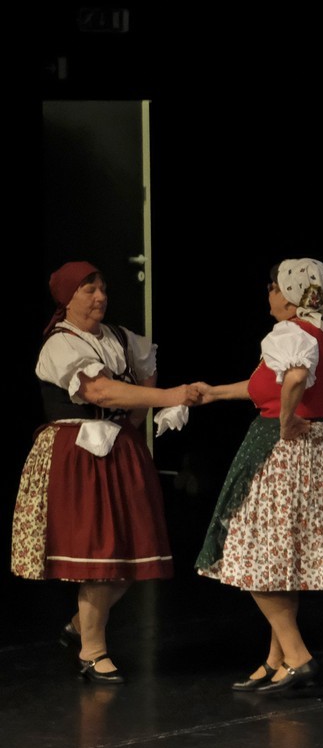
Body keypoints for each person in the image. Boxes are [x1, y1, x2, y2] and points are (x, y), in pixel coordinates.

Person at [191, 259, 323, 695]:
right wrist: (214, 393)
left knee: (253, 559)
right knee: (281, 563)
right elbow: (269, 385)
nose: (269, 293)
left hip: (284, 457)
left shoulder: (290, 333)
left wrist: (287, 419)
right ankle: (276, 660)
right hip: (317, 452)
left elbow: (293, 378)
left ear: (292, 295)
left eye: (275, 287)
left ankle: (298, 656)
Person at [12, 261, 199, 683]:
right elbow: (98, 390)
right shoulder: (60, 344)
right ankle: (92, 652)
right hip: (78, 453)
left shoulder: (120, 337)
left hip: (118, 449)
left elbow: (144, 375)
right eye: (89, 290)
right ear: (67, 298)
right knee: (100, 558)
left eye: (103, 289)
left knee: (133, 552)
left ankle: (80, 625)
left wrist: (133, 420)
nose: (100, 297)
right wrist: (167, 396)